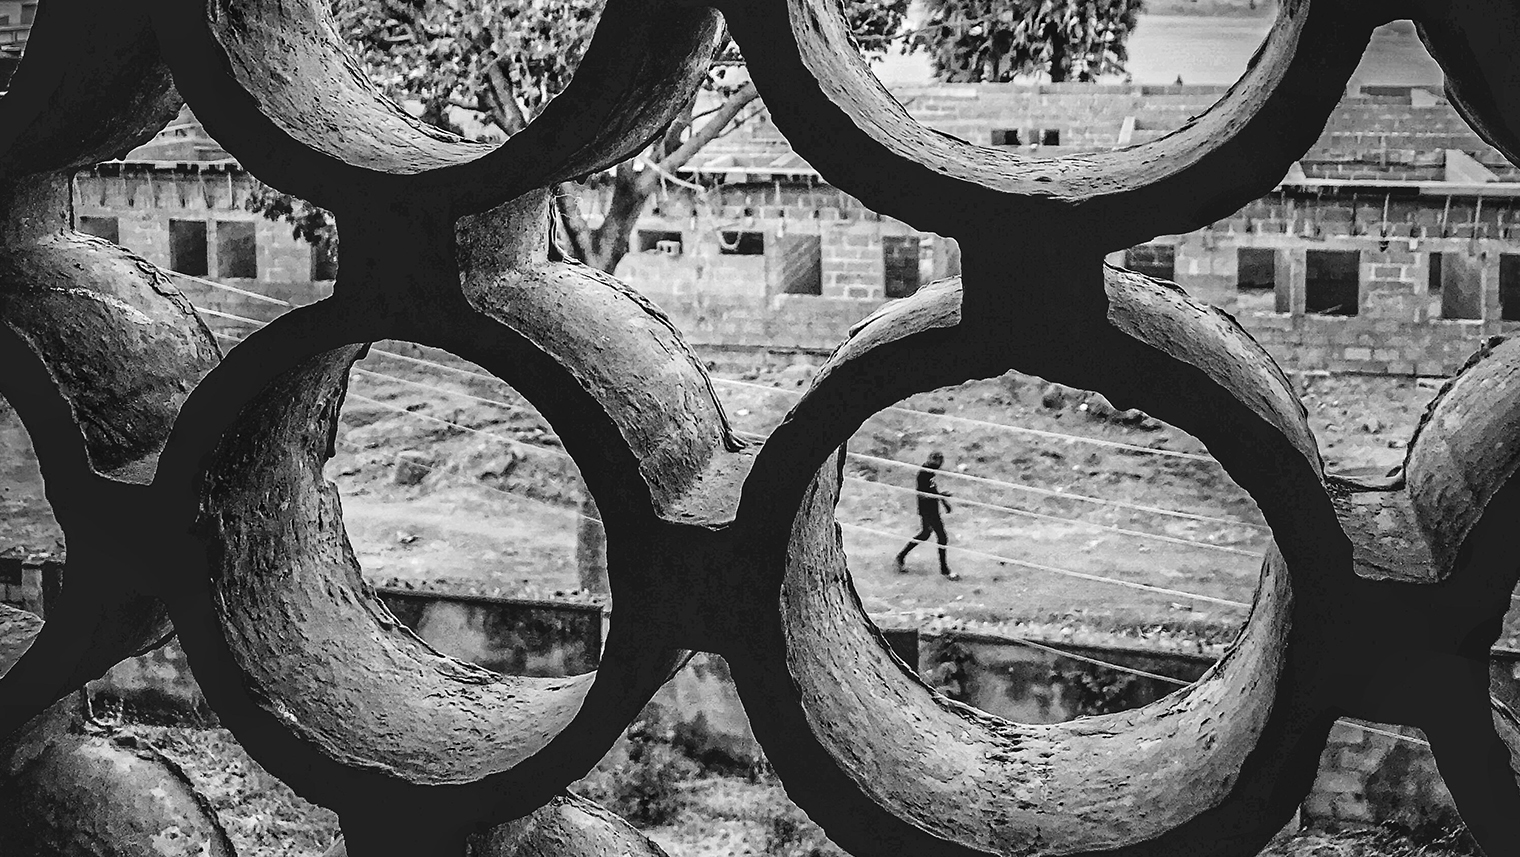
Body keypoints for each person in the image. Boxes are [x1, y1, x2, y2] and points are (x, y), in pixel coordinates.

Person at [895, 451, 958, 580]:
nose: (939, 465)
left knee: (925, 534)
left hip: (931, 508)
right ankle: (944, 569)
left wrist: (943, 501)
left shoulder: (930, 473)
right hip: (928, 510)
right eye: (938, 461)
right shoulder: (923, 474)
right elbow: (923, 494)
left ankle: (901, 557)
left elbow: (932, 490)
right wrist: (940, 498)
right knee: (942, 537)